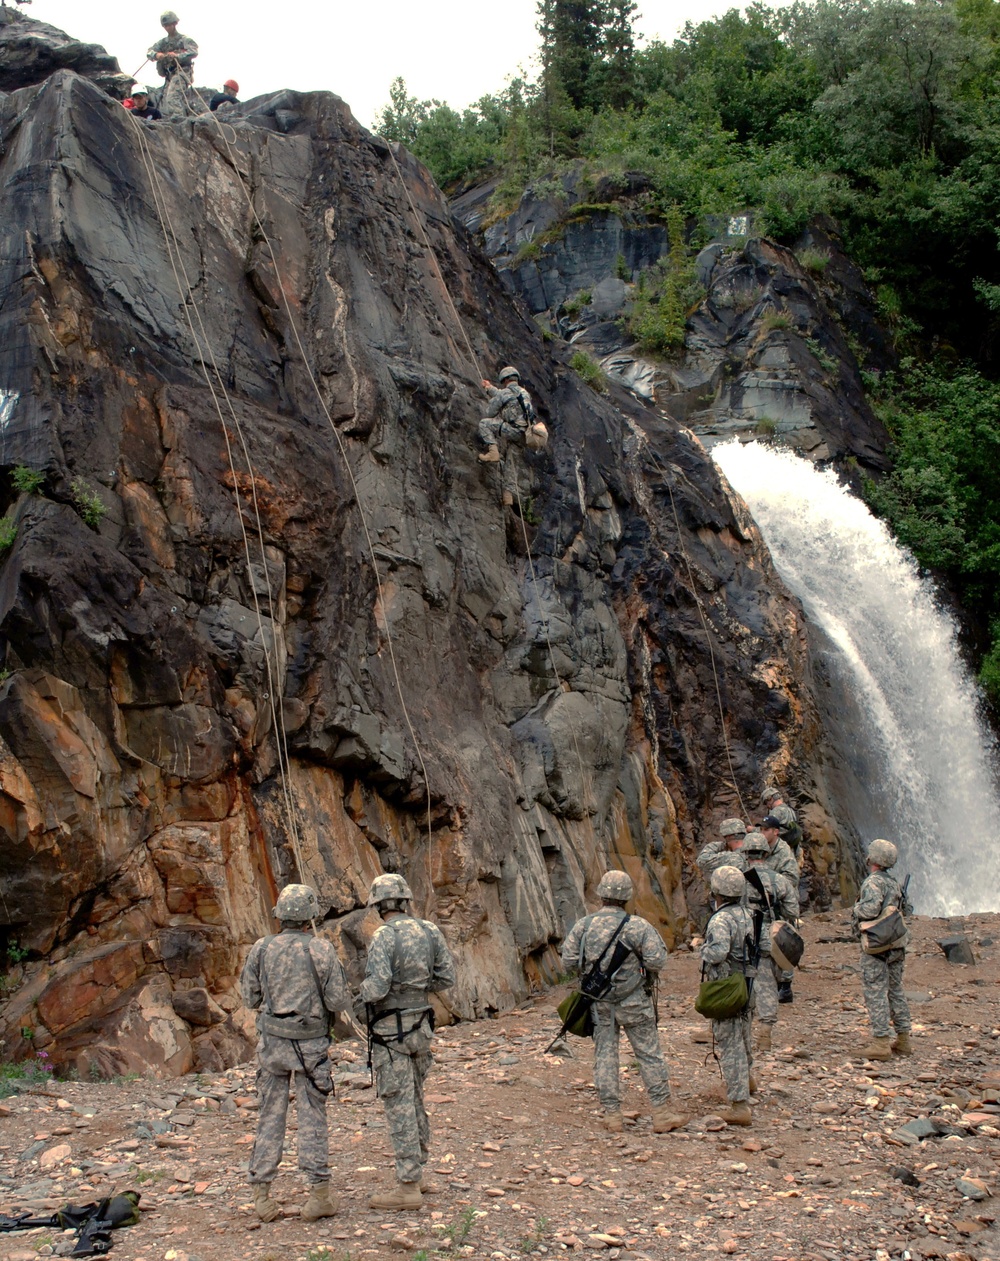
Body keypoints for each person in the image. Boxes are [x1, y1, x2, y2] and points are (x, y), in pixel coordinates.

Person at [241, 883, 352, 1224]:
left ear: (281, 915)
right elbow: (337, 1001)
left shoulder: (261, 948)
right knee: (312, 1117)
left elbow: (250, 998)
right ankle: (319, 1195)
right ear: (309, 917)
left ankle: (261, 1195)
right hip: (311, 1047)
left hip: (273, 1044)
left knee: (269, 1116)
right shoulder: (321, 950)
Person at [560, 871, 687, 1135]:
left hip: (599, 1003)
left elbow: (568, 962)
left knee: (605, 1055)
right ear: (627, 896)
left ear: (602, 893)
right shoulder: (638, 926)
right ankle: (662, 1114)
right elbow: (657, 961)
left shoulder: (584, 925)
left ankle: (612, 1115)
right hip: (635, 1001)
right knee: (649, 1055)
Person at [356, 873, 455, 1211]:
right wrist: (417, 989)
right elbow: (446, 977)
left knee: (399, 1101)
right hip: (422, 1028)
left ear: (379, 904)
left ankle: (408, 1185)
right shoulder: (429, 930)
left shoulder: (384, 936)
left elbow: (378, 986)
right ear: (404, 900)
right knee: (415, 1097)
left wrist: (359, 999)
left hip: (390, 1031)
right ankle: (420, 1171)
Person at [700, 865, 756, 1127]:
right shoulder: (748, 914)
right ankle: (748, 1081)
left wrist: (701, 951)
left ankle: (739, 1104)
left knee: (730, 1044)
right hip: (746, 985)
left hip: (727, 989)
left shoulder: (720, 919)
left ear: (717, 891)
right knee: (744, 1036)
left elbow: (718, 953)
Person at [851, 838, 912, 1061]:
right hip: (896, 942)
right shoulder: (894, 883)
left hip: (877, 944)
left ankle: (880, 1042)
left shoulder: (872, 883)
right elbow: (908, 909)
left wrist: (856, 907)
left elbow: (869, 910)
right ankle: (904, 1039)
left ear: (873, 858)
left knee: (875, 990)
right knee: (895, 989)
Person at [742, 832, 798, 1051]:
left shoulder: (739, 879)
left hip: (744, 936)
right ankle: (765, 1033)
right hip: (771, 939)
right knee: (768, 985)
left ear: (746, 853)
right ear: (766, 854)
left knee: (741, 982)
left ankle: (741, 1031)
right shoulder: (780, 881)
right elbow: (792, 911)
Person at [477, 366, 542, 506]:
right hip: (525, 435)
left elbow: (490, 413)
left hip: (513, 430)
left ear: (505, 379)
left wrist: (492, 399)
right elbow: (504, 395)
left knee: (484, 424)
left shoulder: (505, 394)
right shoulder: (523, 392)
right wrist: (489, 388)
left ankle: (493, 452)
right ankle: (508, 495)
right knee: (511, 461)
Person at [759, 814, 800, 1004]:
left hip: (782, 902)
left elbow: (792, 878)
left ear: (776, 832)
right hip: (766, 902)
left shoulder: (783, 852)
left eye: (766, 830)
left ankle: (786, 986)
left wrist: (773, 885)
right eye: (761, 829)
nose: (762, 833)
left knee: (784, 941)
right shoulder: (761, 848)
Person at [147, 10, 198, 119]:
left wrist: (177, 56)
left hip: (182, 72)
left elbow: (194, 51)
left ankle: (179, 121)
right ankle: (181, 119)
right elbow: (149, 52)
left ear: (175, 23)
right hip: (169, 75)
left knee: (172, 97)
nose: (167, 27)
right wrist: (157, 55)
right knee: (166, 101)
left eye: (169, 24)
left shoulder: (184, 40)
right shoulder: (163, 42)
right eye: (165, 25)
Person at [696, 817, 748, 882]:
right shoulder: (757, 851)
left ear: (728, 836)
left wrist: (719, 845)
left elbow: (701, 861)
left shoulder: (729, 857)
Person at [760, 786, 804, 856]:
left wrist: (752, 829)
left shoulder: (776, 811)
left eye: (766, 802)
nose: (767, 806)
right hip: (794, 850)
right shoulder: (791, 810)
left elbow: (767, 830)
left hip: (782, 851)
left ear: (770, 799)